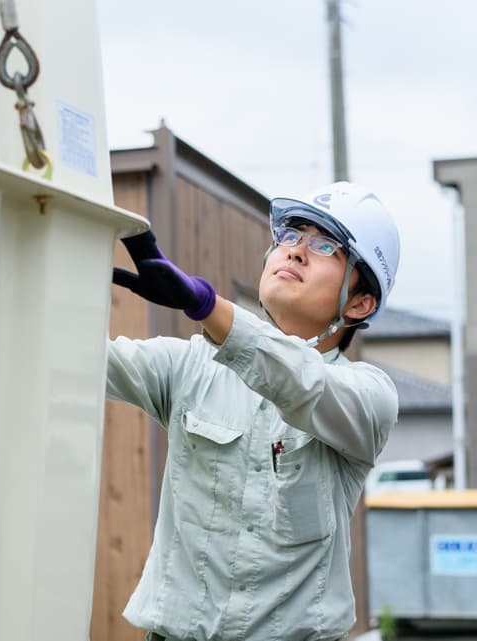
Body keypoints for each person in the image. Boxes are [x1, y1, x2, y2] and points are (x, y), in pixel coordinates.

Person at [107, 181, 401, 641]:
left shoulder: (368, 396)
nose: (297, 251)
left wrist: (204, 304)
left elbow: (301, 383)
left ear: (360, 303)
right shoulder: (190, 365)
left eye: (326, 245)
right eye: (289, 236)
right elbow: (76, 359)